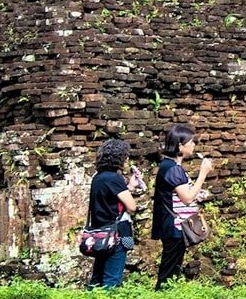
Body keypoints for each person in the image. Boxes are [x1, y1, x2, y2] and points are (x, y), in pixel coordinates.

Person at [152, 124, 213, 288]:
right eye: (191, 142)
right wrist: (203, 174)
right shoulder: (173, 169)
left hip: (172, 225)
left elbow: (180, 194)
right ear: (180, 145)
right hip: (174, 227)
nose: (193, 145)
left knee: (172, 267)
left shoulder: (170, 166)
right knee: (169, 270)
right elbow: (186, 198)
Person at [86, 138, 139, 289]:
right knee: (112, 279)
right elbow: (131, 206)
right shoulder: (115, 178)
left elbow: (111, 200)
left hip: (100, 234)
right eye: (126, 156)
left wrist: (130, 186)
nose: (127, 159)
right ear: (120, 157)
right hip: (116, 235)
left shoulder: (98, 178)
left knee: (97, 277)